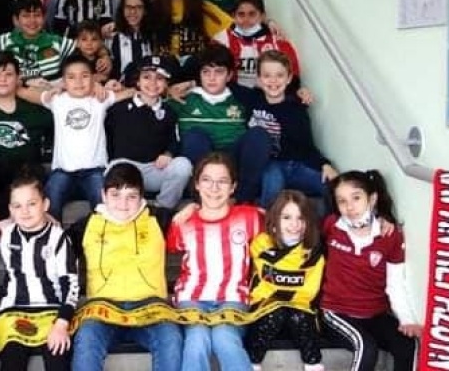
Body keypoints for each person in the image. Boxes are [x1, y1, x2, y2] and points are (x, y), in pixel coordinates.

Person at [69, 163, 183, 371]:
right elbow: (55, 246)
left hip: (151, 309)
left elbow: (197, 219)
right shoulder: (85, 225)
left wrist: (193, 208)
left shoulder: (158, 218)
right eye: (115, 195)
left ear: (141, 197)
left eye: (131, 196)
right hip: (103, 311)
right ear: (103, 195)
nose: (123, 204)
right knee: (86, 338)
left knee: (171, 338)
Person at [167, 153, 263, 371]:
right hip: (192, 298)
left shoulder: (250, 218)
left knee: (224, 337)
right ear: (197, 184)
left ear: (233, 187)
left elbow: (284, 222)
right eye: (207, 180)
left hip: (233, 298)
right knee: (196, 339)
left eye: (222, 181)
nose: (214, 188)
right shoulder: (183, 222)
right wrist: (188, 210)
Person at [320, 170, 422, 371]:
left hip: (375, 314)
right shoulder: (332, 225)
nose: (350, 207)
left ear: (372, 199)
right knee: (366, 347)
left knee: (407, 344)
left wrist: (407, 319)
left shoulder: (390, 235)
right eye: (342, 201)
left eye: (356, 198)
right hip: (336, 312)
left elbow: (395, 283)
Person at [20, 53, 126, 220]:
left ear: (93, 77)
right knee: (50, 201)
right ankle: (52, 235)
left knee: (105, 206)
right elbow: (23, 91)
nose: (78, 82)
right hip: (63, 171)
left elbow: (131, 92)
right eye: (71, 77)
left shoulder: (100, 99)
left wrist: (105, 86)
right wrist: (52, 87)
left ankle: (103, 236)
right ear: (63, 81)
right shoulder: (57, 99)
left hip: (94, 170)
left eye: (85, 76)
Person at [0, 175, 79, 371]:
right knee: (11, 362)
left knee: (58, 359)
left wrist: (62, 323)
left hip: (52, 311)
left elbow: (71, 285)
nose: (25, 211)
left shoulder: (58, 238)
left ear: (45, 205)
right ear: (11, 210)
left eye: (32, 204)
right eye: (18, 206)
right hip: (13, 310)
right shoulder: (5, 234)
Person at [167, 44, 269, 205]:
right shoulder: (183, 98)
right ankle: (203, 199)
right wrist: (165, 91)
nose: (211, 78)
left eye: (219, 72)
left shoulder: (242, 98)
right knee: (194, 136)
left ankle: (240, 200)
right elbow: (150, 103)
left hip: (233, 160)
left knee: (258, 134)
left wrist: (298, 95)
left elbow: (276, 100)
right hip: (201, 163)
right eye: (206, 72)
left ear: (229, 76)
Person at [246, 190, 325, 371]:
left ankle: (314, 365)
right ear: (274, 220)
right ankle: (252, 364)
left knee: (298, 315)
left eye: (301, 218)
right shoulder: (260, 244)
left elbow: (308, 293)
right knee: (276, 313)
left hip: (299, 315)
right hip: (264, 314)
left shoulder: (314, 253)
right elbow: (262, 289)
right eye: (287, 217)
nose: (294, 224)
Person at [246, 50, 337, 208]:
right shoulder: (251, 99)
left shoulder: (296, 108)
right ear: (259, 79)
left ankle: (336, 222)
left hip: (294, 166)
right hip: (268, 165)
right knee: (273, 181)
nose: (273, 81)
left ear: (289, 78)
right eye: (267, 76)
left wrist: (325, 164)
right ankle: (266, 218)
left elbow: (307, 144)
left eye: (280, 75)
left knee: (332, 185)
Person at [105, 55, 191, 221]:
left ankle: (162, 210)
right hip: (126, 167)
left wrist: (168, 154)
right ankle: (127, 211)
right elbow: (106, 137)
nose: (153, 83)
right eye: (146, 77)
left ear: (166, 84)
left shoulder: (169, 111)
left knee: (183, 165)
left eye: (159, 78)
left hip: (154, 169)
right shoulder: (118, 108)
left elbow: (174, 141)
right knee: (114, 169)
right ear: (137, 81)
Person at [0, 52, 53, 214]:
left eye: (8, 74)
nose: (3, 79)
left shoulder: (34, 109)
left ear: (18, 77)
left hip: (23, 178)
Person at [213, 0, 305, 96]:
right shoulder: (221, 40)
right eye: (241, 14)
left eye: (252, 14)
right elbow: (213, 74)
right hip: (232, 95)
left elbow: (293, 77)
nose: (246, 19)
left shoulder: (278, 42)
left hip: (270, 96)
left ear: (262, 16)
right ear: (233, 16)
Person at [0, 0, 76, 85]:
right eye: (26, 16)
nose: (32, 21)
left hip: (51, 92)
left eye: (37, 15)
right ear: (16, 20)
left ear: (44, 17)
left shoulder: (61, 43)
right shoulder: (1, 43)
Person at [109, 0, 155, 83]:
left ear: (145, 10)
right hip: (122, 87)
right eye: (128, 7)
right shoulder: (113, 36)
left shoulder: (154, 36)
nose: (133, 12)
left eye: (138, 7)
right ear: (122, 9)